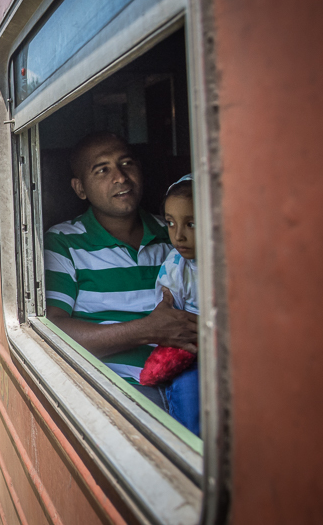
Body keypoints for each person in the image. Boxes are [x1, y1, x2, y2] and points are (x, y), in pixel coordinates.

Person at [43, 132, 197, 408]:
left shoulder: (176, 233)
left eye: (126, 164)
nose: (121, 177)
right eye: (102, 169)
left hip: (190, 380)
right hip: (117, 392)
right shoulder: (64, 241)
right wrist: (147, 330)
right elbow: (54, 330)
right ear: (80, 188)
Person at [141, 174, 201, 434]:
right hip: (191, 349)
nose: (179, 236)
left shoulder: (233, 260)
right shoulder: (177, 265)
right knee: (190, 397)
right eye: (170, 223)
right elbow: (167, 314)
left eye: (192, 224)